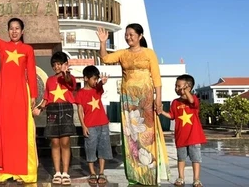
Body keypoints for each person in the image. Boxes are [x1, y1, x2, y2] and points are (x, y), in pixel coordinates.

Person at [97, 24, 170, 185]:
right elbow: (105, 58)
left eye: (131, 34)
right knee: (131, 136)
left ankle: (149, 174)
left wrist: (158, 99)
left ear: (140, 36)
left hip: (145, 98)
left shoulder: (149, 53)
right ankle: (135, 175)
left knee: (147, 135)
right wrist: (103, 42)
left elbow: (156, 78)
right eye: (126, 35)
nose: (128, 37)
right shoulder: (123, 54)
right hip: (128, 100)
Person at [0, 0, 38, 183]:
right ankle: (5, 170)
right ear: (8, 31)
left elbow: (31, 72)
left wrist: (34, 95)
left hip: (21, 94)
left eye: (17, 28)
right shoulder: (2, 46)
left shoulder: (28, 49)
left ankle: (23, 171)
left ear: (22, 31)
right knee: (5, 131)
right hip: (3, 94)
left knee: (21, 132)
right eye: (11, 28)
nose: (14, 31)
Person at [33, 51, 76, 185]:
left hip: (66, 110)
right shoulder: (50, 80)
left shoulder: (69, 77)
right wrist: (40, 108)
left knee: (65, 142)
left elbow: (70, 83)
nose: (57, 67)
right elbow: (46, 98)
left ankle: (65, 172)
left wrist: (65, 73)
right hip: (52, 111)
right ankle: (57, 172)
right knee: (55, 143)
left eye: (59, 64)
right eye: (54, 65)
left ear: (65, 64)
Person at [161, 74, 206, 187]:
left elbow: (191, 100)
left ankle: (196, 179)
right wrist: (161, 111)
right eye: (175, 86)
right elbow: (171, 116)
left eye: (178, 86)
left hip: (194, 137)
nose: (176, 88)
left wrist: (186, 92)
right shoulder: (175, 102)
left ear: (188, 87)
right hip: (181, 136)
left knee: (195, 159)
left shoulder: (193, 99)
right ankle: (181, 178)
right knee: (181, 158)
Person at [75, 65, 113, 185]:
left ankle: (101, 172)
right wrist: (83, 126)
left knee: (103, 148)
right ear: (86, 78)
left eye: (96, 79)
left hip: (103, 124)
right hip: (90, 125)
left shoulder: (97, 89)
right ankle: (92, 172)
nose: (95, 81)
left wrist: (102, 82)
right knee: (90, 149)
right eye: (93, 79)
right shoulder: (80, 93)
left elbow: (100, 85)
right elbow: (80, 110)